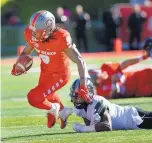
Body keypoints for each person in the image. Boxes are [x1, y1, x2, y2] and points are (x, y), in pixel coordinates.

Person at [11, 10, 91, 129]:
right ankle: (63, 111)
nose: (32, 34)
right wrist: (19, 64)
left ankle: (54, 108)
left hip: (60, 74)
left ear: (48, 29)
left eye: (36, 31)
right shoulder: (32, 35)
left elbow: (80, 60)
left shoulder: (61, 37)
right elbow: (26, 52)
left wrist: (83, 85)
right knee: (48, 96)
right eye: (32, 30)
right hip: (45, 72)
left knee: (33, 97)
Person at [69, 78, 152, 133]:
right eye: (75, 96)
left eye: (78, 96)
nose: (76, 100)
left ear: (87, 94)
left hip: (132, 118)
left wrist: (83, 129)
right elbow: (91, 125)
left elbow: (107, 125)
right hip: (130, 118)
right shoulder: (80, 109)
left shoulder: (97, 101)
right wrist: (89, 126)